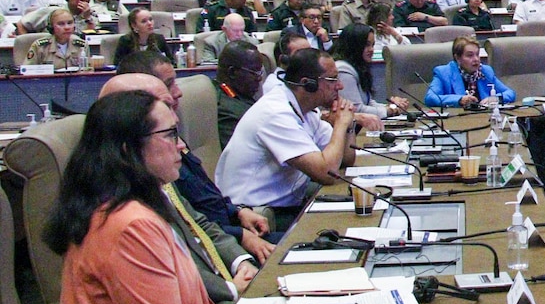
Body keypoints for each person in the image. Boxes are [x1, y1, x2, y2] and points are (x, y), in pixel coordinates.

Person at [43, 90, 251, 304]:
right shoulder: (130, 225)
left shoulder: (126, 206)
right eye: (169, 135)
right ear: (127, 150)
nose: (182, 145)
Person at [108, 56, 278, 266]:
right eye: (169, 84)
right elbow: (187, 241)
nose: (178, 92)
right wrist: (231, 286)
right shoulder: (133, 199)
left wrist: (237, 212)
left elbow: (198, 214)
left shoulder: (166, 148)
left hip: (225, 243)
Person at [215, 48, 358, 229]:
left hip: (288, 202)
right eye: (332, 80)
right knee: (343, 227)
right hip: (258, 215)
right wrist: (341, 124)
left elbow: (346, 159)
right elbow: (327, 173)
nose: (340, 86)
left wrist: (348, 124)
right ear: (308, 84)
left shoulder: (306, 110)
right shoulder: (275, 113)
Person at [331, 23, 408, 118]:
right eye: (367, 45)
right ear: (353, 45)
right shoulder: (343, 70)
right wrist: (390, 110)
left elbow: (369, 103)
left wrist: (393, 106)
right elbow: (356, 109)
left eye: (373, 45)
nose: (371, 49)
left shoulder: (357, 67)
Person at [425, 36, 516, 108]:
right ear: (457, 58)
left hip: (484, 118)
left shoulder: (485, 71)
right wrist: (459, 100)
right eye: (470, 55)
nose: (476, 59)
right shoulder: (443, 72)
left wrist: (495, 99)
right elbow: (430, 98)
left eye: (477, 54)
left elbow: (510, 93)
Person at [214, 39, 263, 148]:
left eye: (260, 72)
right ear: (232, 72)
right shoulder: (226, 111)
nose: (259, 78)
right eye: (254, 72)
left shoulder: (240, 95)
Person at [25, 7, 90, 69]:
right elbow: (27, 72)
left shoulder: (82, 45)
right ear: (51, 27)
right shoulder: (40, 46)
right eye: (61, 24)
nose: (67, 27)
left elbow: (87, 72)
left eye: (70, 23)